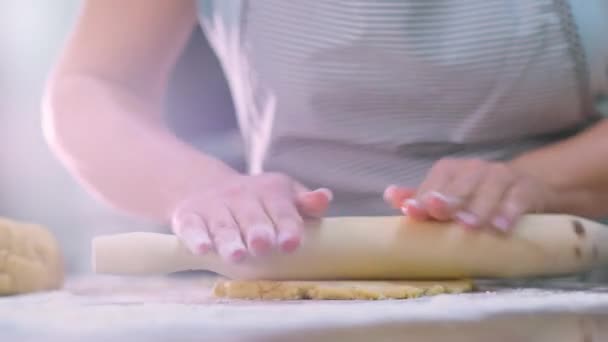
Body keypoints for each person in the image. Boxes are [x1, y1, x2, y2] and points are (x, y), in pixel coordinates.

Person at [43, 0, 608, 263]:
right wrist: (195, 187)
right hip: (288, 282)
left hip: (571, 281)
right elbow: (94, 86)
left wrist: (541, 180)